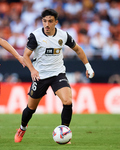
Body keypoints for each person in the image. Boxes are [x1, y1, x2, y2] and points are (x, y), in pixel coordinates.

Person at [14, 9, 94, 143]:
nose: (47, 24)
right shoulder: (36, 36)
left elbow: (78, 50)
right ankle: (22, 128)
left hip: (58, 73)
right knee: (31, 108)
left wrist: (88, 66)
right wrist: (32, 70)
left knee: (68, 101)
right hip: (40, 75)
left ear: (56, 22)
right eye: (44, 21)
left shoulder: (63, 35)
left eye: (50, 21)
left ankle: (64, 132)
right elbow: (26, 56)